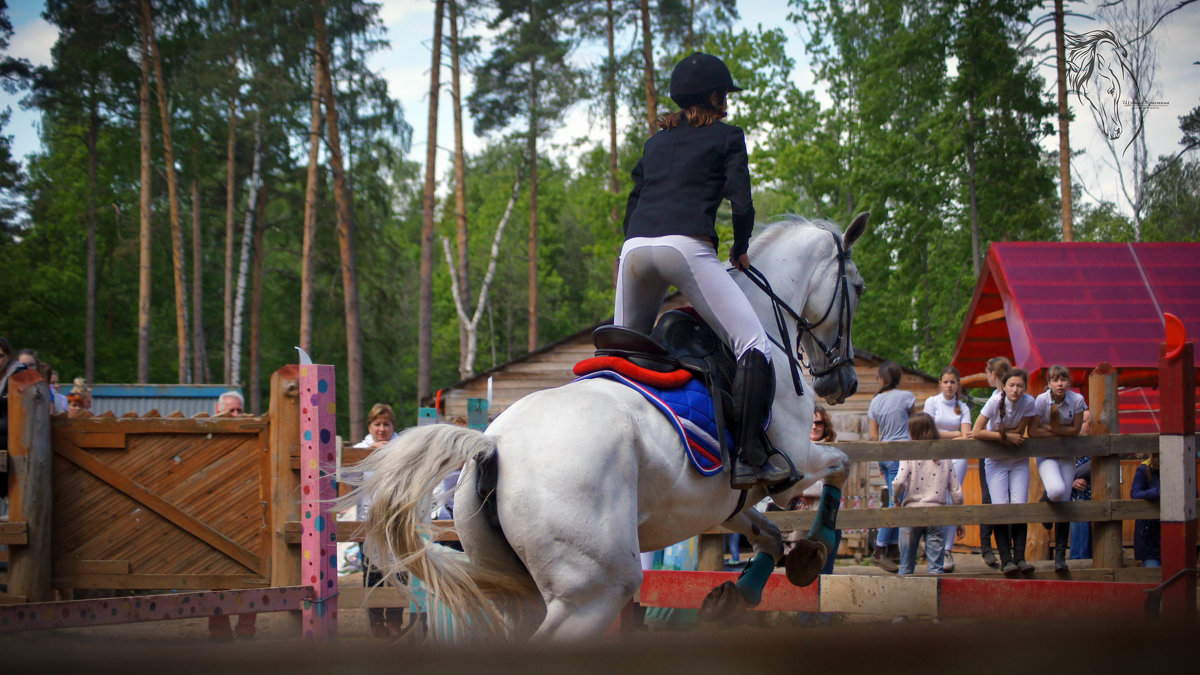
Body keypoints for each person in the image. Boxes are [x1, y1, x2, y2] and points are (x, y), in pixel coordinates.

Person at [615, 52, 787, 490]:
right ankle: (749, 457)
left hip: (634, 248)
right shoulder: (727, 136)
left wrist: (633, 246)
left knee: (621, 353)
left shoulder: (655, 143)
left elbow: (634, 200)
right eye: (724, 93)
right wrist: (741, 249)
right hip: (686, 246)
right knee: (752, 343)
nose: (728, 101)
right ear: (713, 96)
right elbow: (743, 204)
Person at [973, 367, 1037, 573]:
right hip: (996, 460)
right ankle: (1006, 559)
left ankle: (1020, 557)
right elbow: (977, 431)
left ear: (1025, 388)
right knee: (1001, 508)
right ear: (1004, 386)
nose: (1015, 390)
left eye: (1020, 386)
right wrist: (1004, 437)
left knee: (1019, 507)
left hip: (1018, 460)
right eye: (1011, 385)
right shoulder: (994, 402)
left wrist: (1007, 435)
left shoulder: (1029, 403)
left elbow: (1020, 431)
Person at [1029, 365, 1088, 571]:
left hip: (1067, 454)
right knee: (1056, 490)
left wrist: (1052, 430)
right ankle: (1046, 499)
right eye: (1055, 380)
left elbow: (1075, 430)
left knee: (1064, 500)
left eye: (1063, 379)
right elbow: (1033, 430)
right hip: (1046, 454)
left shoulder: (1077, 400)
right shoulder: (1041, 400)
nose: (1059, 383)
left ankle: (1061, 555)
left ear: (1069, 382)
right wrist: (1057, 432)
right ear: (1049, 383)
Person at [353, 403, 405, 638]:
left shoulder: (404, 446)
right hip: (368, 519)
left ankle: (395, 620)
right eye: (377, 424)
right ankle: (376, 622)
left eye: (386, 424)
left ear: (393, 426)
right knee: (372, 572)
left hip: (397, 519)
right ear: (370, 426)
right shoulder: (359, 449)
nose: (382, 429)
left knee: (399, 570)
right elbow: (349, 479)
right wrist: (369, 455)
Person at [208, 389, 256, 641]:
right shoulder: (208, 437)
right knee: (218, 574)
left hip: (248, 516)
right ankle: (218, 629)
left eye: (239, 410)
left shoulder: (255, 438)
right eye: (230, 410)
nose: (235, 415)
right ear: (218, 411)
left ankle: (247, 628)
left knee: (253, 574)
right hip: (216, 516)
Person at [893, 413, 964, 575]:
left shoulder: (909, 453)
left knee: (905, 567)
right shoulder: (944, 456)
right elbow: (956, 491)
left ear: (913, 432)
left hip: (911, 513)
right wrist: (960, 518)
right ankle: (937, 597)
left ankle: (905, 597)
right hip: (936, 513)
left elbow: (899, 481)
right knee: (936, 569)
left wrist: (895, 497)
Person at [922, 366, 971, 571]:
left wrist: (957, 435)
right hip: (935, 456)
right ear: (940, 384)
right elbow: (928, 430)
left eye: (952, 382)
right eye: (945, 382)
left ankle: (948, 550)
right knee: (935, 498)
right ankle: (933, 548)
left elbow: (967, 435)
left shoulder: (964, 407)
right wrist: (955, 434)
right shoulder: (932, 402)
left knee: (952, 497)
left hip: (958, 456)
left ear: (957, 385)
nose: (949, 386)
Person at [867, 360, 914, 573]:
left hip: (884, 455)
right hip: (902, 455)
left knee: (896, 502)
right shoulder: (907, 397)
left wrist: (879, 459)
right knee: (898, 504)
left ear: (882, 379)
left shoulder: (875, 401)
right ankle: (879, 550)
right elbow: (915, 425)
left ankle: (893, 549)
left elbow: (873, 436)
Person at [975, 357, 1012, 568]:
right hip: (989, 452)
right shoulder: (993, 396)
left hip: (1003, 453)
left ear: (993, 374)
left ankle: (1004, 549)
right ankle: (987, 547)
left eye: (987, 372)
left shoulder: (1005, 396)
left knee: (1001, 500)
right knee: (989, 499)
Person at [1130, 455, 1161, 568]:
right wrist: (1155, 493)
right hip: (1149, 534)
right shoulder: (1144, 469)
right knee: (1153, 575)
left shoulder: (1179, 467)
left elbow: (1193, 491)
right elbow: (1135, 493)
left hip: (1173, 535)